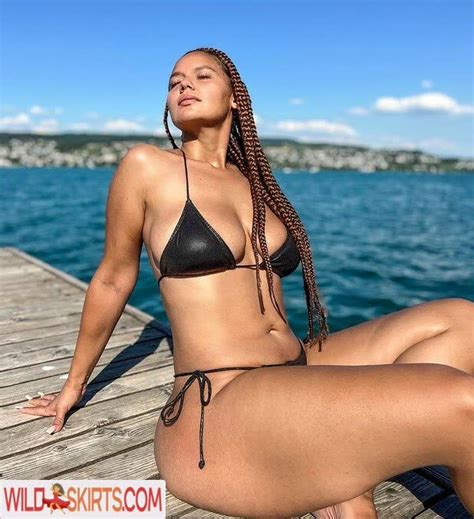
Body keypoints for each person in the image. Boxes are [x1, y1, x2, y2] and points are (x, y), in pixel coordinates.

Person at [20, 47, 474, 519]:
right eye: (174, 81)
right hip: (222, 398)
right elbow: (114, 279)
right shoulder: (147, 166)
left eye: (201, 76)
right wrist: (74, 386)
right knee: (463, 401)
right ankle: (341, 458)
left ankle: (341, 450)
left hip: (295, 367)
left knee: (462, 320)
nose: (184, 85)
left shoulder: (253, 180)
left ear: (235, 96)